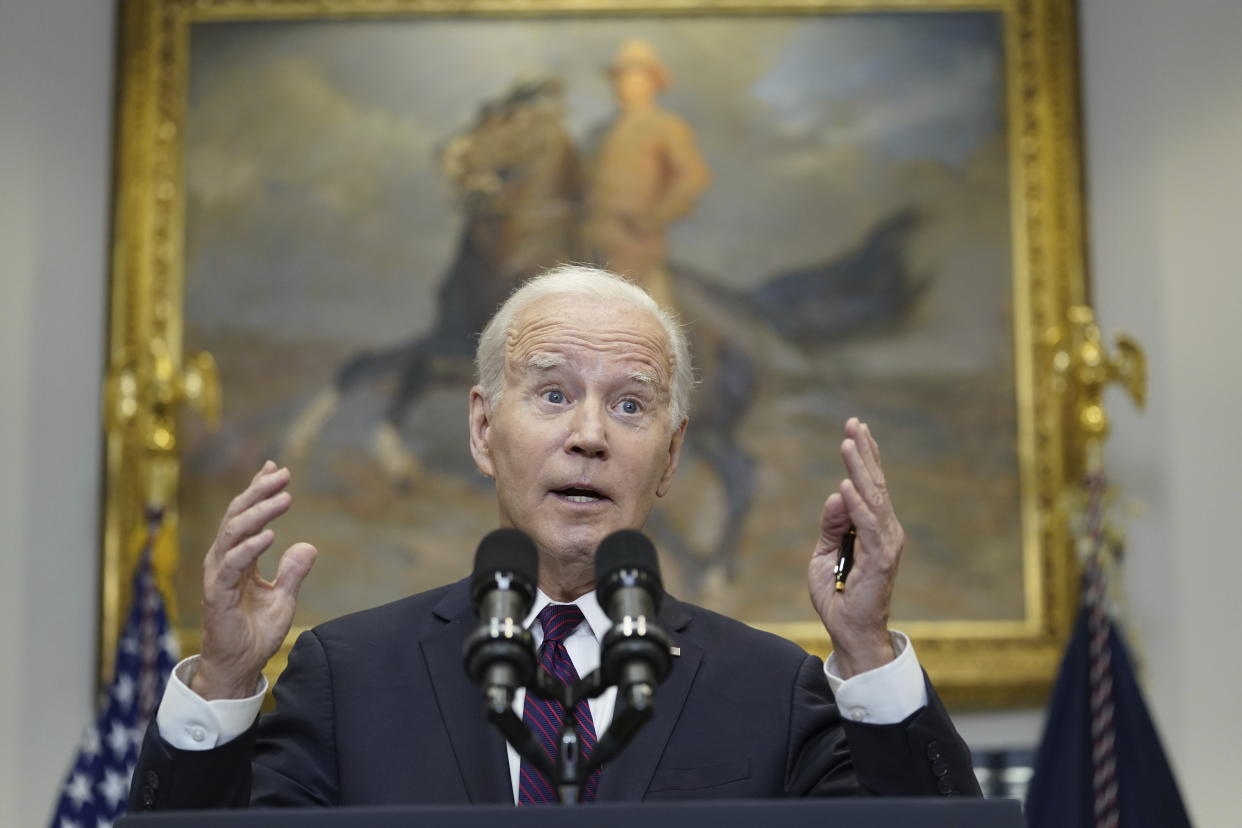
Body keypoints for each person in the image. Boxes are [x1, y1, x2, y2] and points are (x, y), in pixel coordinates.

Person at [129, 264, 979, 811]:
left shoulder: (769, 689)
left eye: (631, 404)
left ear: (672, 455)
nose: (590, 436)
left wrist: (866, 650)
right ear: (481, 429)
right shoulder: (350, 679)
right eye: (551, 394)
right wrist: (225, 678)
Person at [579, 40, 710, 310]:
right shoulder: (598, 132)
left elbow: (692, 177)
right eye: (620, 76)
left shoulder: (665, 126)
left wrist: (653, 218)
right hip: (588, 239)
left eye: (633, 76)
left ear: (652, 82)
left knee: (631, 314)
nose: (623, 83)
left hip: (634, 242)